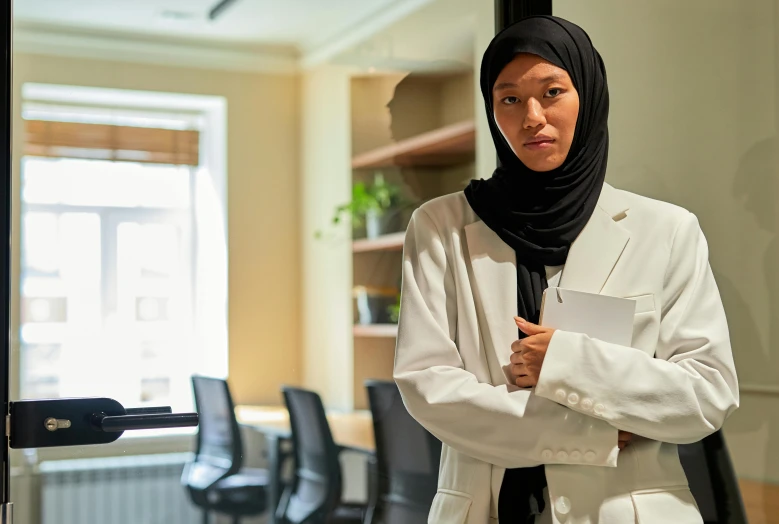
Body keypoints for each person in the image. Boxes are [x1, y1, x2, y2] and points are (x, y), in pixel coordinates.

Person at [393, 15, 739, 524]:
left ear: (589, 96)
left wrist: (566, 361)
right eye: (509, 98)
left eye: (552, 91)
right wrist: (587, 433)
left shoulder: (667, 230)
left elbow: (707, 393)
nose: (532, 116)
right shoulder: (440, 225)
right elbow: (428, 385)